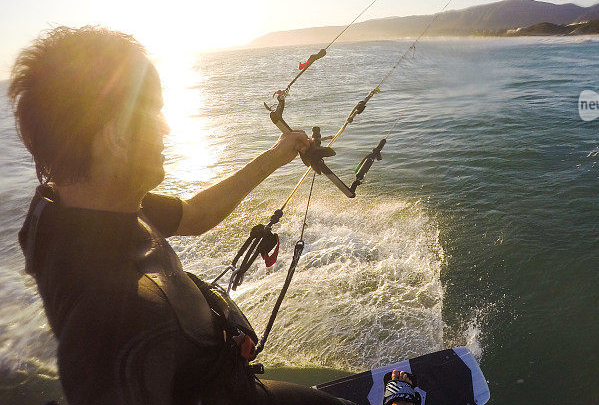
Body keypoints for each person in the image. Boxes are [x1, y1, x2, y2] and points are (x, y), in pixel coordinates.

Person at [10, 26, 368, 405]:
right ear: (114, 135)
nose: (165, 127)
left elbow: (197, 215)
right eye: (155, 112)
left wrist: (280, 153)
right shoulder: (112, 314)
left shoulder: (77, 208)